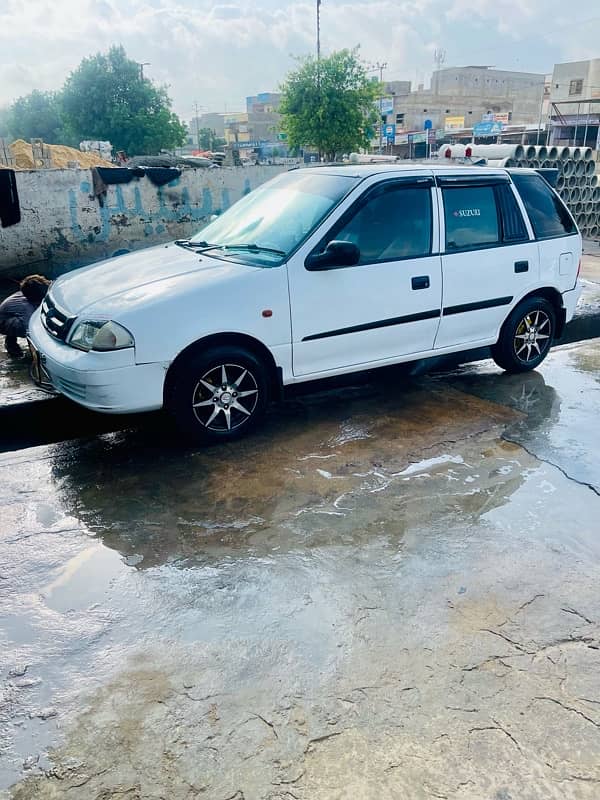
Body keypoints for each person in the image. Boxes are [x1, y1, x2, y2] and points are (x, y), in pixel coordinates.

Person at [0, 274, 50, 356]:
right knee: (34, 324)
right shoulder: (26, 307)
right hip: (3, 322)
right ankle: (11, 344)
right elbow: (30, 331)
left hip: (10, 314)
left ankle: (10, 339)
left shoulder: (31, 291)